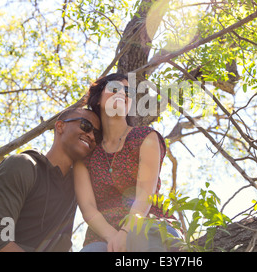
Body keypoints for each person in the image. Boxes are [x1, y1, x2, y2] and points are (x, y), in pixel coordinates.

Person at [74, 73, 181, 252]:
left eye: (127, 91)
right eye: (115, 88)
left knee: (143, 236)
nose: (122, 93)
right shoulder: (86, 155)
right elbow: (88, 208)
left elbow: (144, 195)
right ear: (98, 98)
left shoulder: (146, 137)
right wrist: (114, 237)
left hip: (148, 222)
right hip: (102, 235)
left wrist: (125, 232)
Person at [0, 107, 101, 252]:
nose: (92, 136)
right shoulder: (23, 165)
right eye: (85, 126)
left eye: (97, 134)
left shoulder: (78, 187)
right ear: (60, 126)